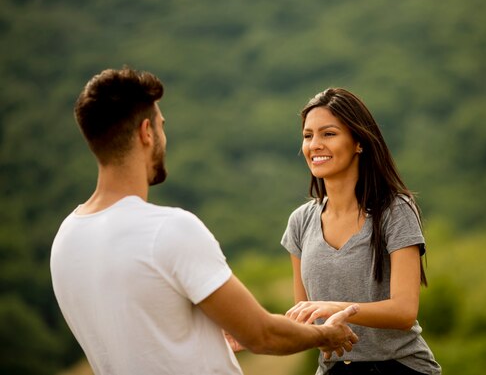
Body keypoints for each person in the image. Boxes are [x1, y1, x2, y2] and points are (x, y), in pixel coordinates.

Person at [50, 68, 359, 375]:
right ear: (146, 132)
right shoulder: (170, 229)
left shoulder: (66, 238)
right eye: (161, 126)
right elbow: (264, 335)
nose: (163, 136)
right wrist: (327, 335)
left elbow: (144, 328)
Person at [281, 88, 441, 375]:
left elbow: (404, 312)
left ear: (358, 142)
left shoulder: (395, 209)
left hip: (398, 367)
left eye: (328, 134)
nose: (315, 144)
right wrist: (248, 333)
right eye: (308, 136)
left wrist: (332, 306)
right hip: (332, 369)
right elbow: (304, 316)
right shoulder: (300, 222)